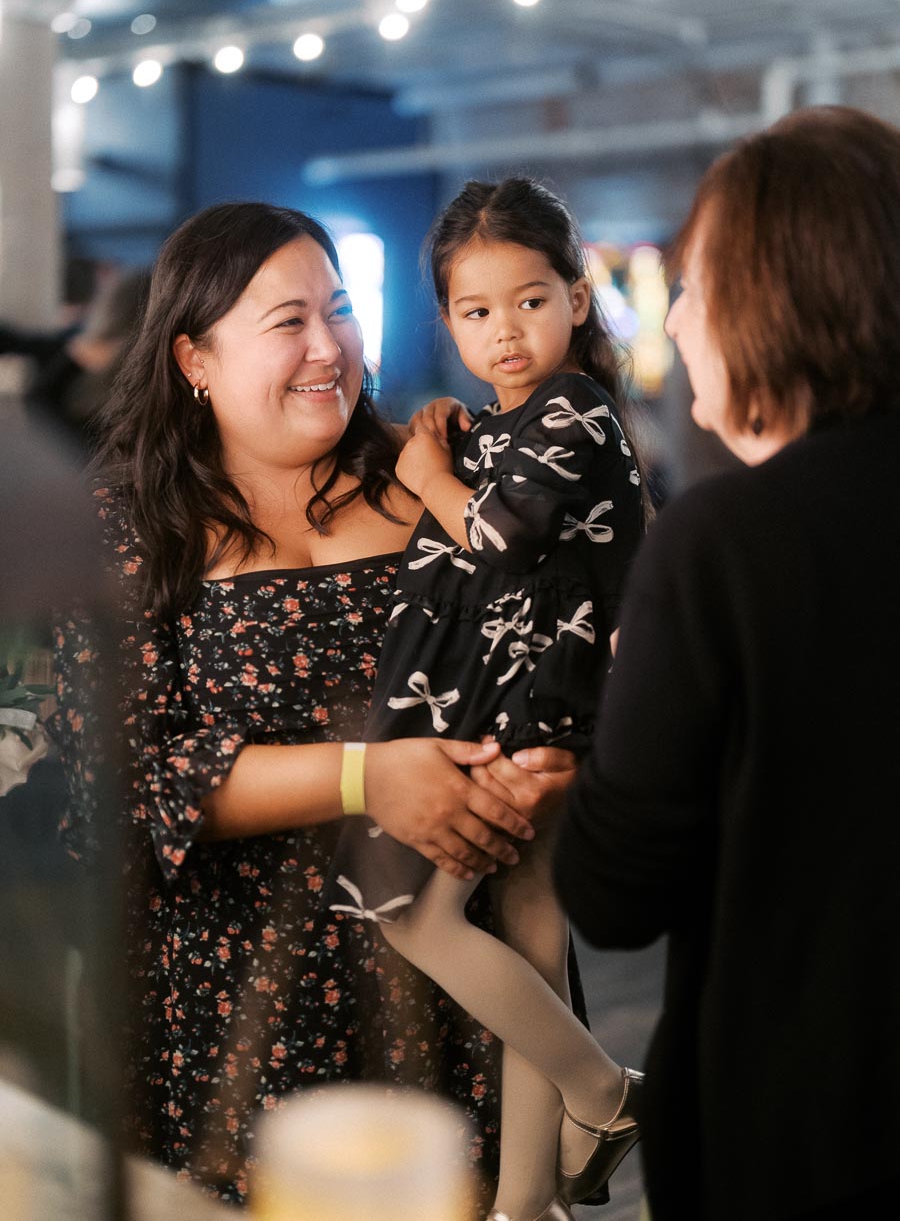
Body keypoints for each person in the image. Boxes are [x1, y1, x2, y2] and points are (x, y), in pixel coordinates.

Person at [50, 201, 578, 1205]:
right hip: (235, 1004)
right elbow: (115, 784)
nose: (329, 345)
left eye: (339, 309)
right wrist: (366, 776)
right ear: (194, 359)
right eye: (286, 321)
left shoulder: (440, 478)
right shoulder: (130, 530)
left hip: (456, 981)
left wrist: (550, 758)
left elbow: (553, 639)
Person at [554, 105, 900, 1221]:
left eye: (695, 286)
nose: (683, 320)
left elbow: (612, 893)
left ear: (769, 298)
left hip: (811, 1127)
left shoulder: (726, 543)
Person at [328, 178, 646, 1221]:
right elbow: (500, 504)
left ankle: (601, 1089)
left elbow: (500, 544)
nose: (504, 332)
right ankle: (523, 1200)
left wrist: (426, 468)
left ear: (578, 299)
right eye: (475, 311)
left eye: (530, 300)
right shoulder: (513, 419)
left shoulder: (578, 408)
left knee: (409, 915)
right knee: (530, 945)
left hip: (523, 706)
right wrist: (450, 439)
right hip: (531, 697)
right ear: (448, 320)